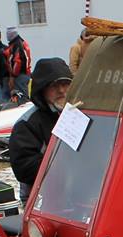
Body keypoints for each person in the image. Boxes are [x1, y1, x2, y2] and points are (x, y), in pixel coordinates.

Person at [9, 57, 72, 201]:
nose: (61, 90)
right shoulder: (27, 124)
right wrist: (66, 164)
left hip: (75, 191)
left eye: (65, 84)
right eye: (54, 86)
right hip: (40, 197)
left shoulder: (76, 115)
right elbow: (23, 168)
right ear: (42, 89)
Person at [4, 27, 32, 99]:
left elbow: (18, 61)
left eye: (8, 34)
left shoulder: (17, 45)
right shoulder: (21, 43)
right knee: (21, 94)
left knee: (22, 96)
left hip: (20, 75)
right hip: (24, 73)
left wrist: (13, 75)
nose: (7, 36)